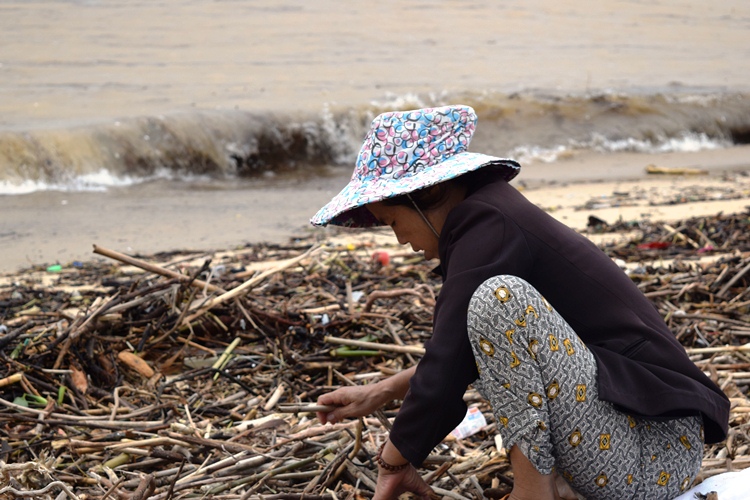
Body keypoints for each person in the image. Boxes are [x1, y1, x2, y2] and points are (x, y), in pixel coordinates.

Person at [309, 105, 729, 500]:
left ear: (424, 194)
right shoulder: (492, 218)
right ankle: (549, 486)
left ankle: (534, 491)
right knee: (490, 314)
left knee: (497, 301)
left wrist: (393, 459)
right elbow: (467, 352)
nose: (400, 239)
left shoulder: (488, 223)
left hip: (652, 450)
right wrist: (382, 391)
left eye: (392, 221)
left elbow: (449, 359)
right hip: (641, 444)